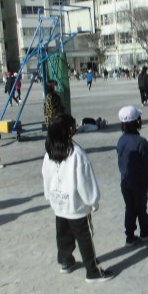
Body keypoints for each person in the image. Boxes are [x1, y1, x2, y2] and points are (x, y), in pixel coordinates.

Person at [42, 113, 115, 283]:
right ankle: (93, 271)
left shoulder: (49, 153)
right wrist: (92, 201)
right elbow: (85, 180)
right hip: (76, 206)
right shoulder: (76, 153)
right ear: (68, 130)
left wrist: (49, 196)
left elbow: (46, 176)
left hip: (59, 203)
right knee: (84, 237)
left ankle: (66, 261)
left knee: (63, 235)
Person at [116, 105, 148, 247]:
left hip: (125, 181)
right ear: (137, 122)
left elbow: (121, 162)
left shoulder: (120, 141)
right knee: (141, 208)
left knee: (130, 208)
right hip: (139, 183)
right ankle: (145, 232)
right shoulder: (141, 142)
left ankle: (130, 236)